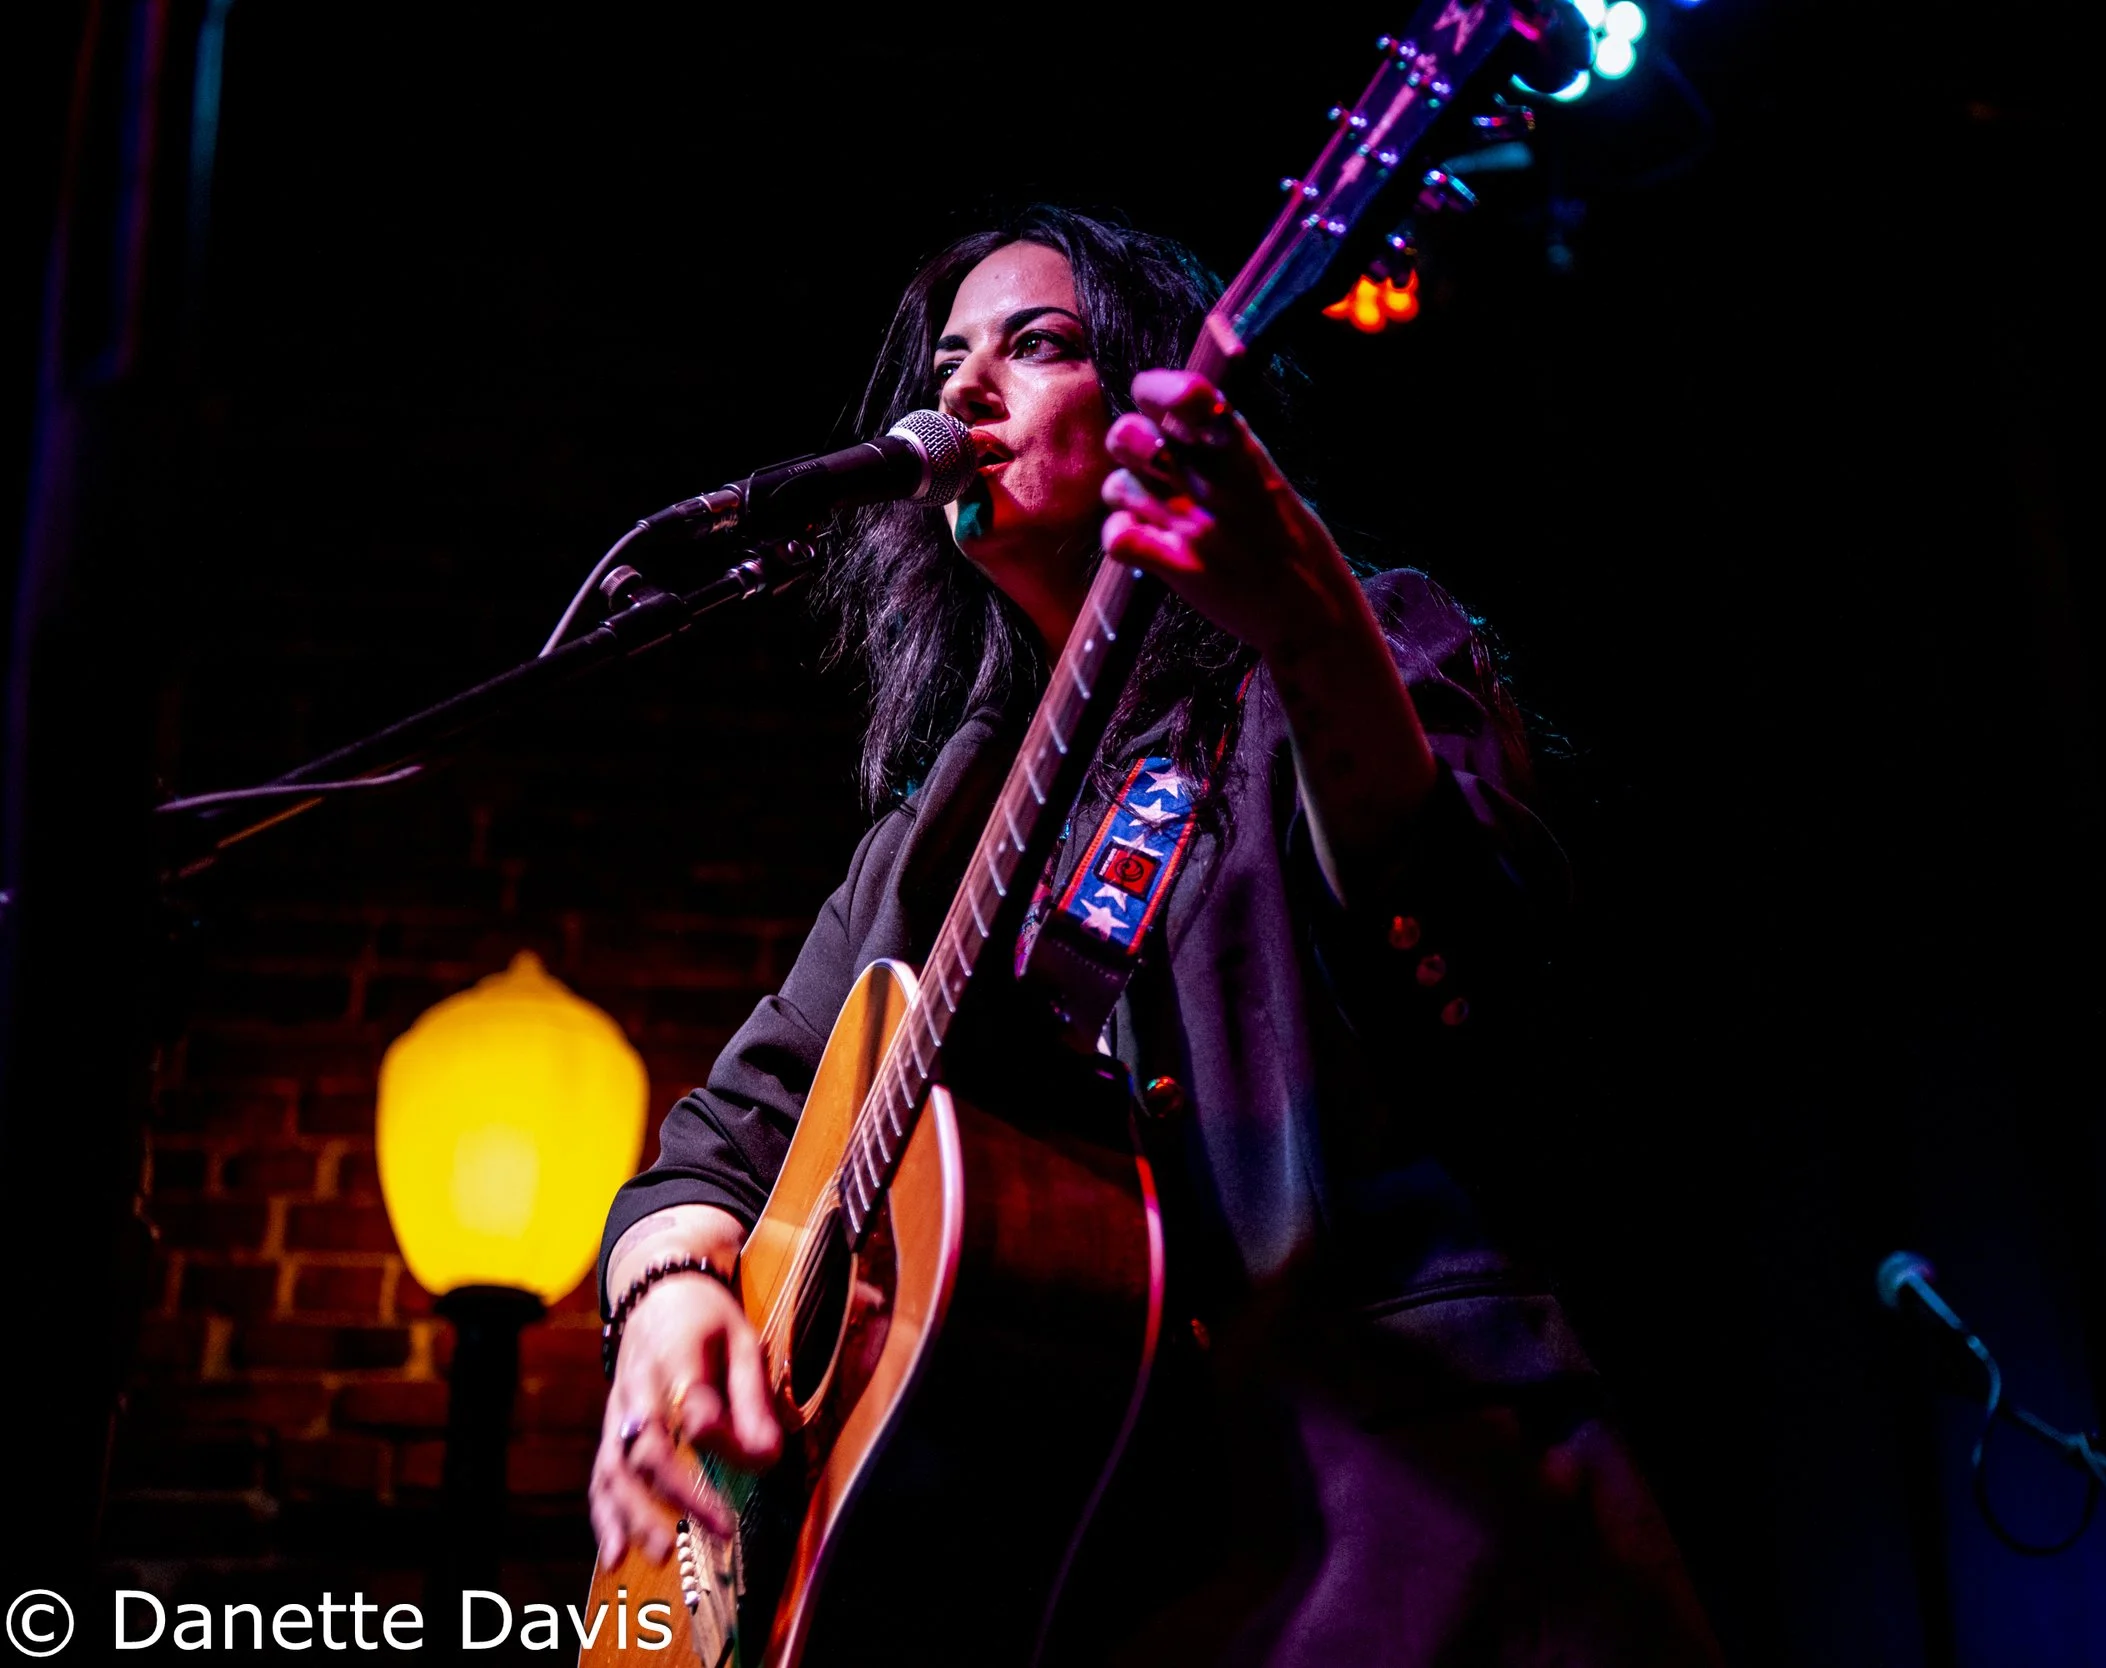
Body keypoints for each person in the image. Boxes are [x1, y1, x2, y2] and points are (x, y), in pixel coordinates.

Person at [588, 205, 1717, 1666]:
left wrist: (1306, 626)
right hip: (1083, 1584)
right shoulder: (933, 839)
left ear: (1149, 392)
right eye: (946, 362)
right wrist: (668, 1296)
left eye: (1038, 344)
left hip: (1420, 1535)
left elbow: (1487, 966)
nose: (965, 387)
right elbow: (715, 1145)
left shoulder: (1353, 648)